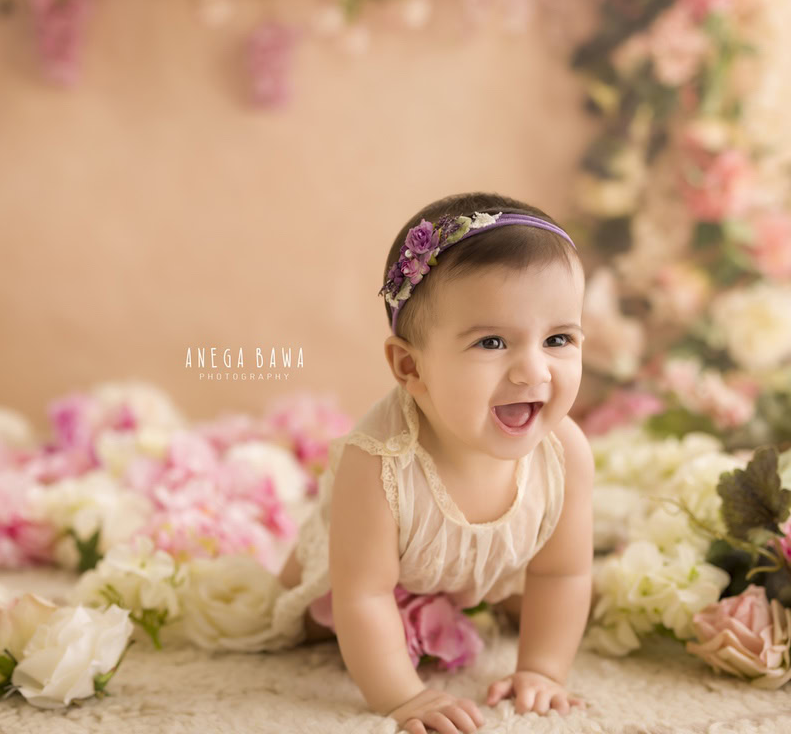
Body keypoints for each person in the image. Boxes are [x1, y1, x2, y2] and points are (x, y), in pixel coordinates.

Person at [226, 191, 594, 734]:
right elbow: (363, 595)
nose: (533, 371)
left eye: (558, 338)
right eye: (492, 342)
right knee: (302, 624)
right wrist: (405, 698)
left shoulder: (564, 452)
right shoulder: (377, 465)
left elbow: (562, 572)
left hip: (464, 574)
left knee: (548, 599)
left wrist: (542, 670)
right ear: (409, 367)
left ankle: (456, 603)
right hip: (355, 580)